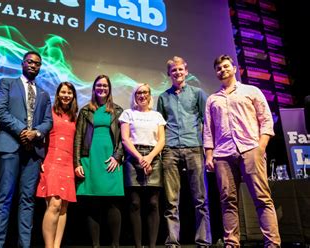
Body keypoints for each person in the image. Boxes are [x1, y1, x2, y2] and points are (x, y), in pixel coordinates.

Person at [204, 54, 281, 248]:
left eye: (226, 66)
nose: (223, 70)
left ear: (235, 68)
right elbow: (208, 130)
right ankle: (232, 243)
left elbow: (266, 120)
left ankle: (272, 244)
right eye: (219, 68)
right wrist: (209, 156)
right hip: (223, 154)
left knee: (262, 198)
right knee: (227, 201)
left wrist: (260, 147)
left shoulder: (251, 91)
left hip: (250, 149)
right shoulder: (212, 99)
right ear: (216, 73)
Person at [0, 51, 53, 247]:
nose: (33, 65)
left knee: (27, 200)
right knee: (4, 198)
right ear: (23, 63)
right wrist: (22, 130)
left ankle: (24, 245)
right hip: (10, 146)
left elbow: (48, 121)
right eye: (30, 62)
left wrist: (35, 133)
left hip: (33, 152)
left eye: (37, 63)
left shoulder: (43, 93)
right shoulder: (7, 83)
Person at [157, 56, 211, 248]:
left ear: (186, 71)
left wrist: (208, 150)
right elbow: (160, 126)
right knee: (171, 200)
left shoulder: (197, 94)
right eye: (174, 70)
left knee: (200, 198)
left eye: (180, 70)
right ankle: (172, 241)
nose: (178, 73)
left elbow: (207, 123)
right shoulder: (163, 97)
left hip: (194, 148)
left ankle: (203, 241)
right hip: (170, 150)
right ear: (169, 74)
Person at [74, 74, 124, 248]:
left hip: (111, 160)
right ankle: (95, 245)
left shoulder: (118, 111)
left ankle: (115, 244)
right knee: (93, 202)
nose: (102, 88)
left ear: (109, 89)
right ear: (94, 88)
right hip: (90, 158)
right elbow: (78, 137)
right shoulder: (86, 111)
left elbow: (123, 138)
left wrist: (117, 157)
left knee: (113, 202)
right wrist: (77, 163)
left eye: (105, 86)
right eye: (98, 86)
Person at [119, 83, 166, 248]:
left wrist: (150, 157)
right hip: (133, 158)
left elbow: (161, 140)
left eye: (145, 92)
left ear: (150, 95)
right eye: (139, 93)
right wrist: (140, 158)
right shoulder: (127, 114)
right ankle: (138, 246)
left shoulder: (157, 116)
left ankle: (152, 245)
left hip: (153, 157)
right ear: (135, 96)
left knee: (153, 203)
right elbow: (125, 139)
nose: (142, 95)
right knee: (134, 203)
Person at [36, 82, 78, 248]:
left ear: (73, 96)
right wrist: (39, 160)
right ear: (58, 94)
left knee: (63, 208)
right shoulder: (49, 113)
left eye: (69, 92)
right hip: (52, 161)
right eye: (63, 92)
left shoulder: (75, 116)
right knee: (54, 204)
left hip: (68, 164)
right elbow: (39, 136)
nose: (66, 95)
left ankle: (57, 245)